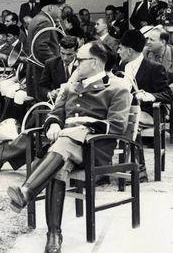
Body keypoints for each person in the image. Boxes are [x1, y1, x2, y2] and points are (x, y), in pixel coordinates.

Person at [7, 41, 131, 253]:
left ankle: (28, 191)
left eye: (79, 60)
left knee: (63, 144)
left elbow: (117, 125)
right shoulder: (71, 87)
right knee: (59, 169)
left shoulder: (117, 87)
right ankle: (54, 235)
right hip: (65, 148)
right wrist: (54, 123)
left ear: (95, 62)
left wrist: (76, 129)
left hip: (94, 148)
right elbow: (56, 112)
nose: (75, 63)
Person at [117, 30, 173, 181]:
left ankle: (139, 171)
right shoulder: (122, 66)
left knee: (130, 119)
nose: (118, 51)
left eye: (120, 48)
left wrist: (150, 96)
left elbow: (168, 94)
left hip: (150, 112)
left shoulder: (154, 68)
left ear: (129, 51)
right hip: (127, 111)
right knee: (120, 118)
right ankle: (111, 168)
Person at [25, 0, 64, 101]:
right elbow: (41, 47)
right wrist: (56, 64)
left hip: (37, 70)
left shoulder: (38, 18)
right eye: (58, 7)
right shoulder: (44, 21)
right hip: (42, 72)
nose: (60, 10)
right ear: (51, 7)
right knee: (46, 107)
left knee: (41, 108)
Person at [39, 36, 78, 101]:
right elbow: (42, 87)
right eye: (62, 53)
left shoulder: (82, 64)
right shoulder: (51, 63)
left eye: (69, 54)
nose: (65, 58)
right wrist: (50, 93)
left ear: (76, 51)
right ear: (59, 49)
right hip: (58, 103)